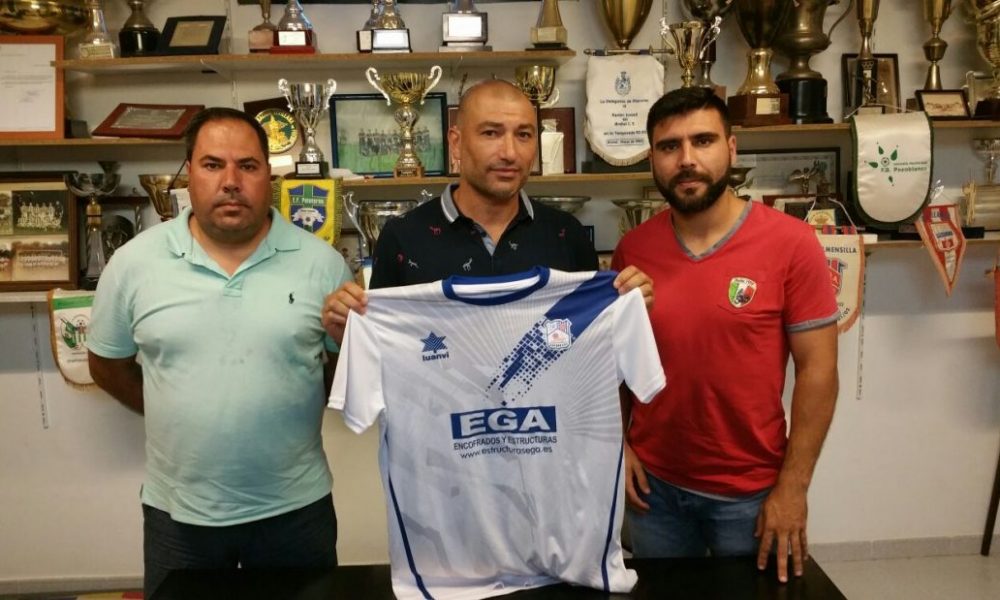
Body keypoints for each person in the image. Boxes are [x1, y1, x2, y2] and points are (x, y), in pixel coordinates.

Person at [86, 107, 350, 596]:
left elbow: (340, 374)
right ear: (189, 173)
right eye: (213, 165)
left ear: (269, 176)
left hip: (296, 510)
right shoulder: (134, 264)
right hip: (179, 513)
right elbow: (106, 365)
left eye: (247, 166)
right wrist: (172, 409)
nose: (231, 182)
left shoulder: (323, 264)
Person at [613, 87, 839, 583]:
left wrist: (794, 487)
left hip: (752, 494)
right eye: (669, 146)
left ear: (731, 149)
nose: (686, 159)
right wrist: (618, 448)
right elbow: (616, 366)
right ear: (652, 159)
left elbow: (819, 371)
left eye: (703, 140)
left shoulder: (792, 243)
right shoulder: (633, 248)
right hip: (654, 489)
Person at [322, 79, 652, 341]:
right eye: (491, 133)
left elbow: (592, 343)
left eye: (523, 135)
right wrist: (346, 330)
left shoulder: (567, 235)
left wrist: (628, 309)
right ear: (456, 143)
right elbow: (382, 348)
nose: (509, 152)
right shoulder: (403, 238)